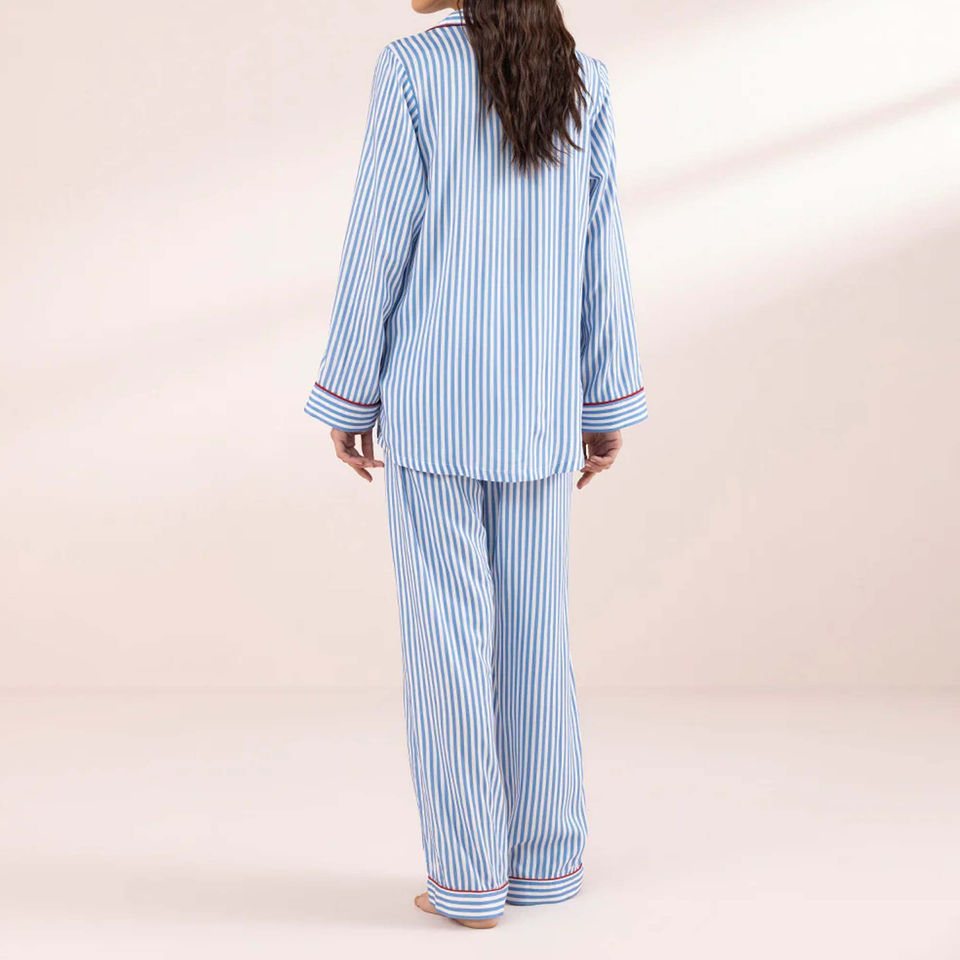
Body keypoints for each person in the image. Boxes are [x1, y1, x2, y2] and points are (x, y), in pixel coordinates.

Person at [304, 0, 646, 929]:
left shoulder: (413, 71)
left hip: (434, 407)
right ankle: (545, 865)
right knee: (536, 640)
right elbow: (601, 250)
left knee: (448, 645)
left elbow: (378, 240)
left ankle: (468, 880)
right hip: (539, 410)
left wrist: (348, 394)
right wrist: (604, 403)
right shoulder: (584, 80)